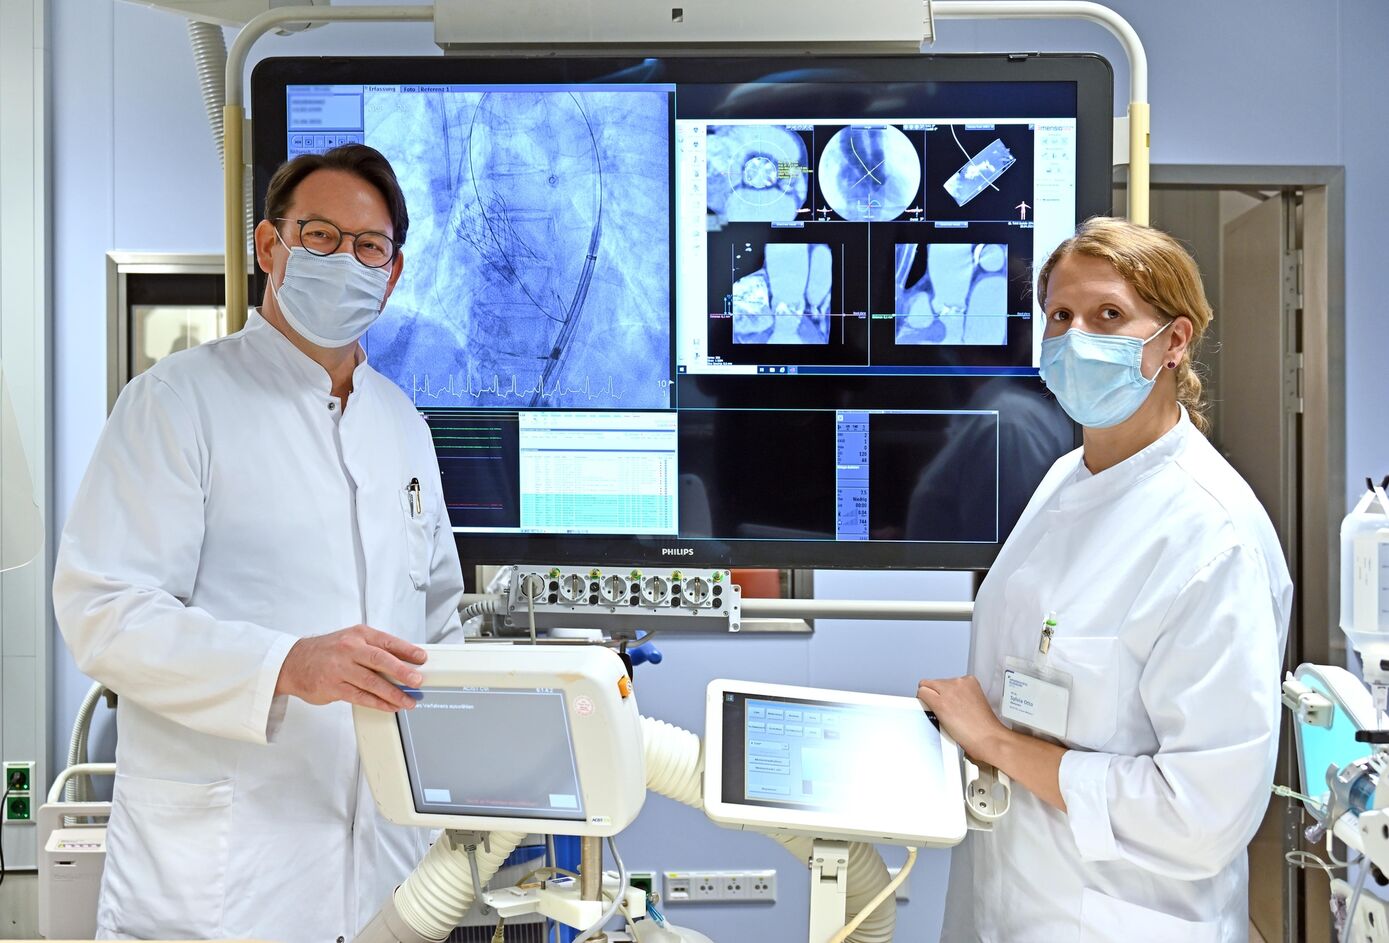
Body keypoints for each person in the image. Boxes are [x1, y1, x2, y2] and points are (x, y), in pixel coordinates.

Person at [53, 144, 464, 943]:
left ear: (394, 272)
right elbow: (103, 611)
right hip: (220, 890)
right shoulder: (175, 402)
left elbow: (439, 625)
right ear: (269, 246)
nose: (345, 260)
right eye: (319, 236)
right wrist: (285, 664)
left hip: (385, 878)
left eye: (368, 247)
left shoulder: (402, 424)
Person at [917, 217, 1292, 942]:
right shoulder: (1067, 477)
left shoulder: (1212, 538)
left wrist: (995, 742)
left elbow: (1201, 815)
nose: (1074, 337)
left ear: (1174, 341)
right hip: (1014, 897)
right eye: (1059, 315)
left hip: (1126, 919)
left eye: (1108, 316)